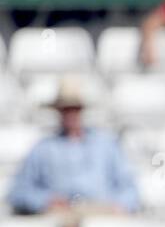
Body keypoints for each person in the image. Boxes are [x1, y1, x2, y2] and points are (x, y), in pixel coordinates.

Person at [8, 77, 139, 215]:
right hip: (58, 219)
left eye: (75, 108)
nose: (71, 114)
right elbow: (18, 192)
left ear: (82, 110)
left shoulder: (106, 145)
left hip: (102, 220)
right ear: (59, 111)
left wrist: (115, 205)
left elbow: (131, 191)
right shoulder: (43, 149)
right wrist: (46, 200)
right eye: (66, 109)